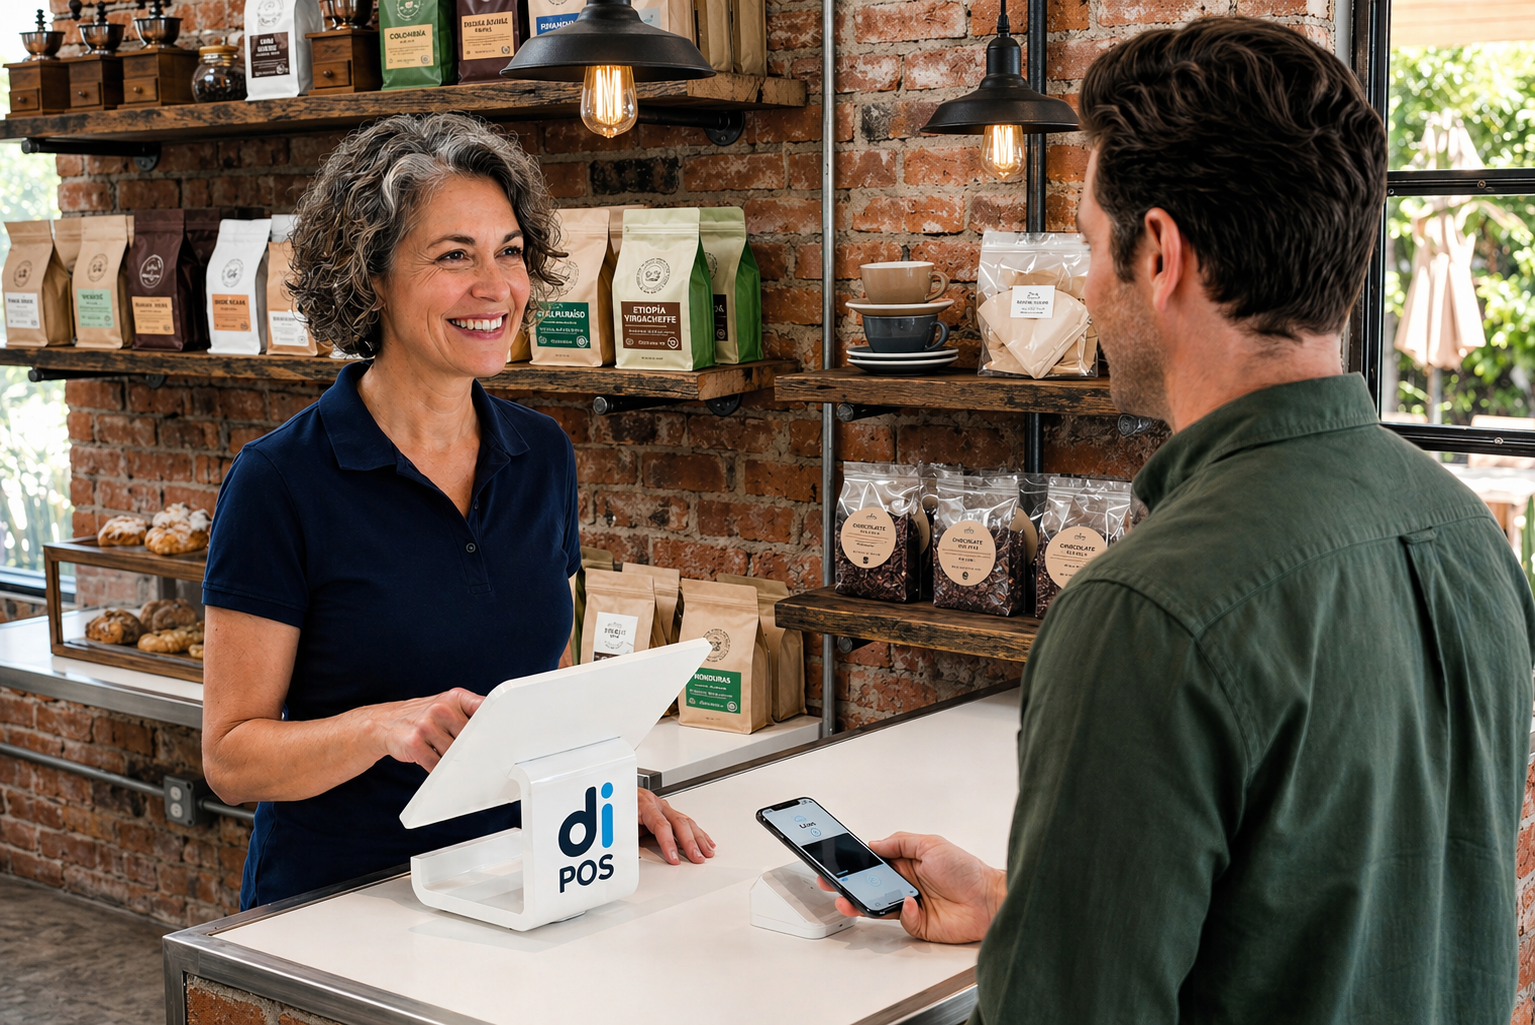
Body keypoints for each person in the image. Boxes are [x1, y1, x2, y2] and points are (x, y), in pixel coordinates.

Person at [821, 18, 1535, 1024]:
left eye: (1085, 242)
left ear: (1158, 252)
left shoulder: (1146, 611)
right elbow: (1342, 919)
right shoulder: (1467, 537)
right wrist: (1028, 906)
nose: (1086, 282)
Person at [200, 113, 712, 910]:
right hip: (342, 906)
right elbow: (231, 758)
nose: (495, 287)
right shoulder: (280, 480)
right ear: (371, 276)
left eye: (509, 251)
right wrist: (381, 727)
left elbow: (548, 685)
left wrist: (603, 791)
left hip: (515, 884)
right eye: (453, 256)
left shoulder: (541, 453)